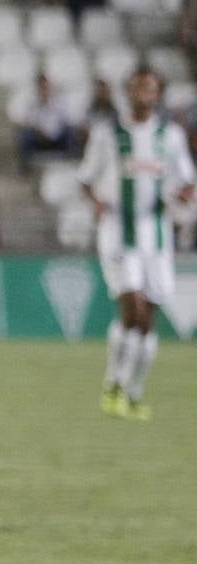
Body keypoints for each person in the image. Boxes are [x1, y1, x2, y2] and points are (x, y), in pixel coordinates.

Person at [78, 67, 195, 421]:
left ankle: (131, 391)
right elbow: (85, 178)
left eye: (150, 88)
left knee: (147, 322)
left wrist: (180, 196)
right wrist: (96, 201)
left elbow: (187, 180)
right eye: (137, 87)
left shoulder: (170, 136)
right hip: (118, 232)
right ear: (127, 93)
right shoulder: (108, 134)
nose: (143, 93)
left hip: (156, 236)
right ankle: (113, 385)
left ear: (158, 94)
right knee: (134, 310)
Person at [16, 73, 78, 171]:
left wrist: (52, 133)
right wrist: (39, 131)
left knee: (70, 133)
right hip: (39, 139)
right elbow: (27, 121)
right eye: (41, 87)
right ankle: (26, 166)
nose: (44, 90)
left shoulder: (58, 102)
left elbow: (65, 120)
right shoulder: (31, 103)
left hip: (57, 138)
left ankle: (72, 161)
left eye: (45, 87)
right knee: (24, 136)